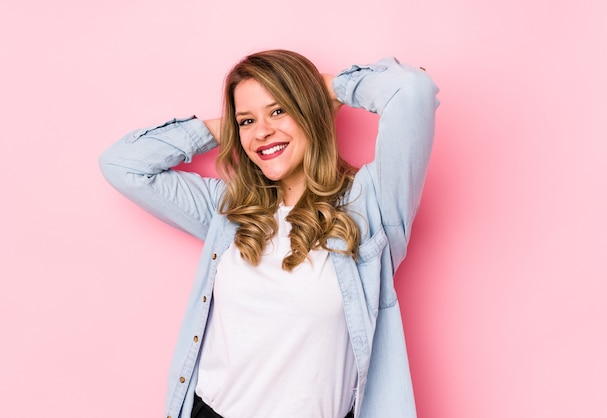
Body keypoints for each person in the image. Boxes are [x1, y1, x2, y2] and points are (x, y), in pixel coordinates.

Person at [100, 49, 439, 418]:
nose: (262, 131)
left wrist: (328, 89)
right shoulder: (229, 209)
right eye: (247, 120)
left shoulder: (371, 205)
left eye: (279, 110)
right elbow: (122, 165)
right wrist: (233, 129)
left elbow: (412, 91)